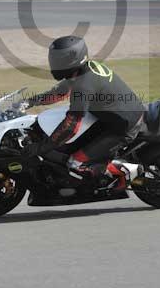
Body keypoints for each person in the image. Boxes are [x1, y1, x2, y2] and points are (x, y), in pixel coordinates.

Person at [23, 35, 145, 196]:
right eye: (54, 58)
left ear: (73, 59)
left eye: (59, 59)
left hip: (123, 127)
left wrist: (42, 147)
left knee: (76, 162)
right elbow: (60, 92)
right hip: (109, 116)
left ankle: (127, 170)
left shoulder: (83, 84)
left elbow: (71, 126)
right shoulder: (83, 71)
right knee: (67, 146)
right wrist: (30, 102)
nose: (55, 62)